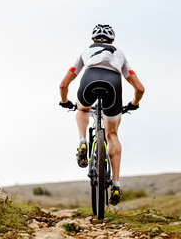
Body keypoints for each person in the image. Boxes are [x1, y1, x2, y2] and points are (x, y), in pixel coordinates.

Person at [59, 24, 145, 205]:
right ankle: (115, 184)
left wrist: (65, 101)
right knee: (112, 134)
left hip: (89, 81)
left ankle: (83, 142)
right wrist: (133, 104)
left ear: (93, 40)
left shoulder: (85, 52)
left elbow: (63, 85)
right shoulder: (119, 54)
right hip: (114, 85)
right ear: (112, 41)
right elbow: (140, 88)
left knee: (82, 109)